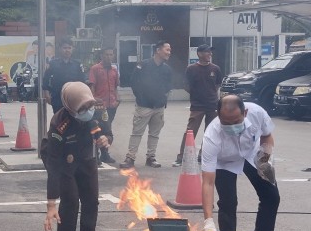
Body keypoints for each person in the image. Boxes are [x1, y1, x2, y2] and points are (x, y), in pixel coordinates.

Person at [199, 95, 285, 231]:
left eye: (236, 121)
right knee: (228, 203)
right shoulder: (211, 136)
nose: (232, 126)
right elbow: (207, 182)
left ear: (245, 112)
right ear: (218, 115)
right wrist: (208, 221)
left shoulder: (257, 113)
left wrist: (264, 159)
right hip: (225, 162)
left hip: (253, 155)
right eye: (226, 123)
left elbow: (267, 136)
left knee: (271, 197)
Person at [42, 81, 110, 231]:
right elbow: (53, 165)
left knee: (91, 202)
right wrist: (51, 203)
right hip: (65, 164)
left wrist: (106, 139)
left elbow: (107, 130)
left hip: (87, 160)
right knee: (70, 206)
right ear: (70, 107)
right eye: (82, 108)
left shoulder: (95, 107)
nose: (88, 110)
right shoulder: (59, 125)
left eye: (89, 105)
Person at [123, 40, 172, 168]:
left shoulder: (167, 69)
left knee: (154, 134)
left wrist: (162, 99)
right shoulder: (143, 65)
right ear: (158, 50)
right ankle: (130, 158)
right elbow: (134, 82)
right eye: (167, 50)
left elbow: (168, 86)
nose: (169, 53)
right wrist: (141, 97)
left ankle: (151, 158)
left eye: (170, 50)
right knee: (137, 133)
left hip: (159, 107)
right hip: (143, 106)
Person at [175, 44, 221, 166]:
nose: (210, 54)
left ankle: (203, 155)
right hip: (197, 105)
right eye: (207, 52)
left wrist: (210, 94)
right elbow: (186, 85)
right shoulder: (191, 69)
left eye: (211, 52)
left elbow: (217, 85)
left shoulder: (215, 69)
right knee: (190, 131)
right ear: (199, 54)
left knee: (210, 132)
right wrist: (197, 94)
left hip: (212, 105)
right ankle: (182, 157)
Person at [88, 47, 119, 164]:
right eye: (106, 54)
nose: (109, 57)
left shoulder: (114, 70)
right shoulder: (95, 69)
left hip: (111, 106)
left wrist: (117, 101)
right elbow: (92, 86)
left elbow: (116, 87)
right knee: (96, 130)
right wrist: (93, 101)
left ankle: (105, 154)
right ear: (101, 56)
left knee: (107, 130)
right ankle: (95, 154)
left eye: (111, 54)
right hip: (99, 107)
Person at [43, 38, 85, 114]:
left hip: (73, 97)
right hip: (57, 97)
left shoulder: (77, 64)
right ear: (60, 49)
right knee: (59, 121)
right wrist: (47, 94)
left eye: (69, 48)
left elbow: (82, 81)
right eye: (65, 48)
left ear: (72, 49)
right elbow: (46, 79)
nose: (67, 50)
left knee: (73, 120)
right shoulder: (53, 63)